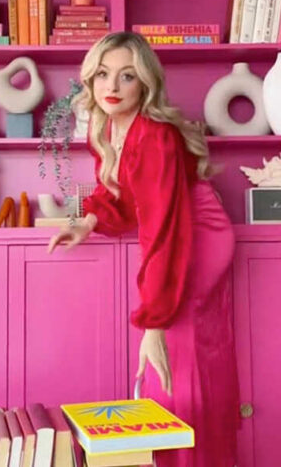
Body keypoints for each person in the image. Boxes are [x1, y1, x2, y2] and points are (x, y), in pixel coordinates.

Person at [48, 32, 238, 467]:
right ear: (90, 81)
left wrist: (154, 322)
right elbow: (115, 195)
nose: (112, 86)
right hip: (174, 232)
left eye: (127, 76)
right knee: (170, 363)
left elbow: (162, 230)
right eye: (102, 75)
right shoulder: (110, 127)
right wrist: (86, 223)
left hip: (197, 235)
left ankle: (193, 457)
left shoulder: (155, 135)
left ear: (145, 84)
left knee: (172, 354)